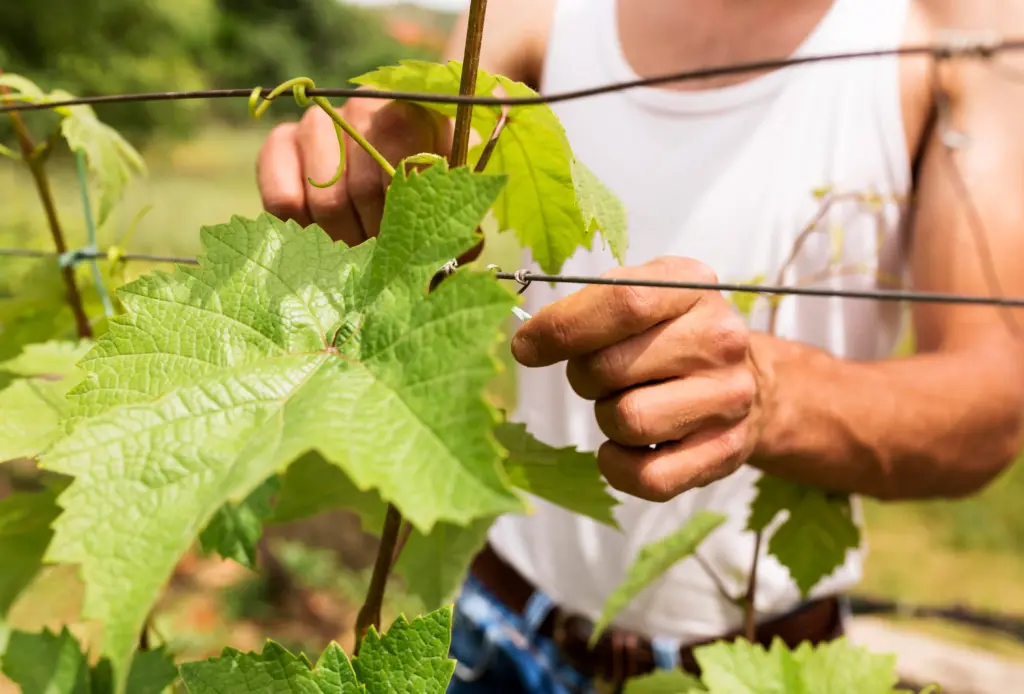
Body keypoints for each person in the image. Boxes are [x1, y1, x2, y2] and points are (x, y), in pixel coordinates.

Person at [256, 0, 1024, 691]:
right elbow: (429, 142)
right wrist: (369, 148)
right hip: (502, 635)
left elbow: (996, 401)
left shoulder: (958, 31)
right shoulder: (535, 10)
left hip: (758, 665)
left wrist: (772, 394)